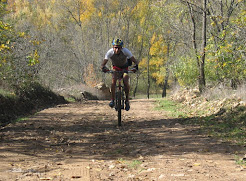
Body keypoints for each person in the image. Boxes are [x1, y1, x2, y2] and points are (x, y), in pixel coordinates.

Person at [101, 38, 138, 111]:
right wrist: (103, 68)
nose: (117, 50)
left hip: (125, 68)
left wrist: (135, 67)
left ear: (121, 48)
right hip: (116, 68)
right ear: (113, 47)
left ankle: (127, 100)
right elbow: (103, 63)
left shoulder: (126, 51)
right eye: (115, 47)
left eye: (119, 48)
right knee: (113, 81)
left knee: (126, 80)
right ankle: (112, 100)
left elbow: (135, 61)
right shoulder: (110, 52)